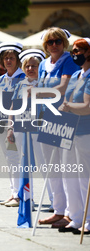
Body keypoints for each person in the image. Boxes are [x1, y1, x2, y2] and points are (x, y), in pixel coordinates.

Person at [37, 27, 80, 227]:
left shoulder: (69, 60)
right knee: (51, 166)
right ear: (45, 45)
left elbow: (63, 87)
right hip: (46, 116)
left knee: (66, 166)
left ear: (64, 43)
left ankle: (72, 213)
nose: (54, 45)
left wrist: (37, 93)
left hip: (63, 117)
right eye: (50, 42)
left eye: (58, 41)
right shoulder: (43, 64)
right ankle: (58, 209)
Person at [7, 49, 54, 210]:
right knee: (24, 164)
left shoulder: (45, 83)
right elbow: (13, 107)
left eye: (34, 66)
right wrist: (10, 128)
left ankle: (55, 201)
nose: (30, 69)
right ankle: (28, 199)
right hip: (21, 128)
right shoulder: (20, 83)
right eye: (27, 66)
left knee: (44, 164)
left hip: (40, 129)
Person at [57, 38, 90, 234]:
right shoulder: (77, 74)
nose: (75, 53)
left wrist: (69, 107)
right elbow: (66, 99)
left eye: (79, 50)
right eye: (74, 50)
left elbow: (87, 107)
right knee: (70, 175)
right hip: (69, 130)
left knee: (84, 177)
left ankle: (88, 220)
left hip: (85, 131)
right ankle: (76, 217)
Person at [0, 42, 25, 207]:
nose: (8, 61)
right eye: (5, 58)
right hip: (1, 123)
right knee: (9, 158)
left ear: (17, 59)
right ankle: (14, 192)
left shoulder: (22, 78)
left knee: (17, 158)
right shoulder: (0, 79)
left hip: (18, 124)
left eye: (11, 58)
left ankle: (20, 195)